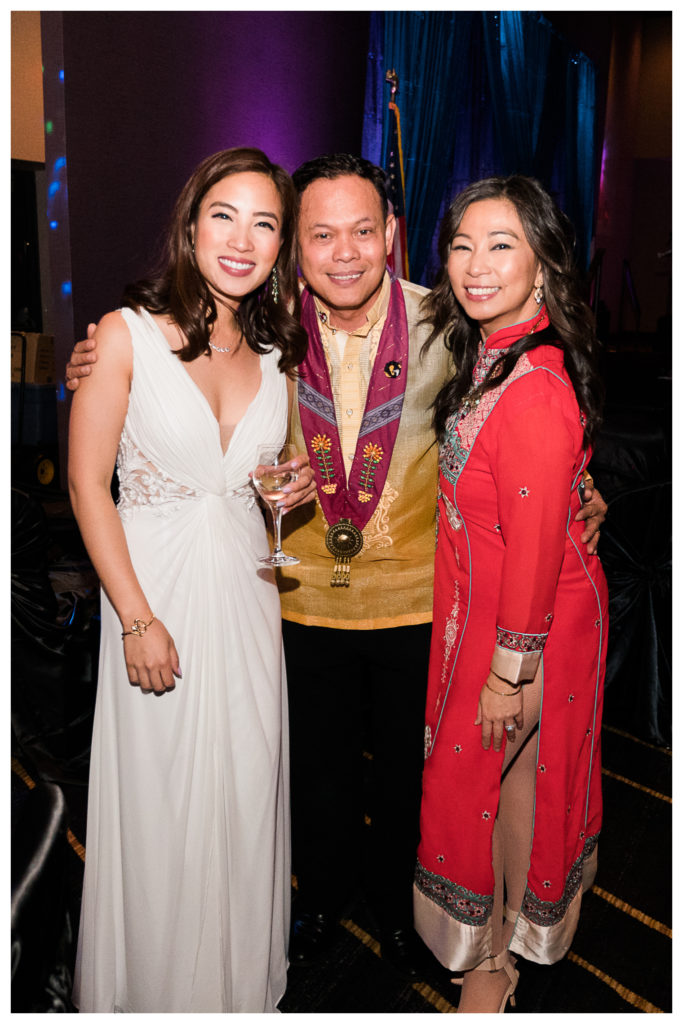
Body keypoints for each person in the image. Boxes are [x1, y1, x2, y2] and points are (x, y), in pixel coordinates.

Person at [66, 153, 607, 980]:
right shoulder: (265, 326)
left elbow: (521, 404)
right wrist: (96, 360)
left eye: (362, 231)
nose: (343, 253)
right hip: (289, 598)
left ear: (391, 235)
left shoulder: (448, 322)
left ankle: (397, 912)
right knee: (307, 773)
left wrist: (578, 487)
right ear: (297, 249)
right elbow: (159, 379)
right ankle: (316, 900)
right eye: (320, 234)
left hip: (414, 603)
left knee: (406, 780)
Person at [67, 147, 315, 1012]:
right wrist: (136, 618)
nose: (242, 239)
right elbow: (84, 484)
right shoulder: (122, 335)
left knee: (245, 794)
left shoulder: (277, 353)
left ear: (280, 246)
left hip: (247, 600)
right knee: (162, 805)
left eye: (265, 223)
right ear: (191, 222)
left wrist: (293, 481)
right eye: (225, 215)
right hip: (152, 594)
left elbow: (261, 471)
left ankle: (234, 991)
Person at [414, 176, 608, 1013]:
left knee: (480, 784)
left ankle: (487, 959)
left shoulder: (530, 383)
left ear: (542, 265)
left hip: (522, 629)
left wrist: (506, 673)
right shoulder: (495, 356)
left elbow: (530, 548)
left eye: (501, 245)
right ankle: (502, 951)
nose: (475, 264)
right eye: (461, 244)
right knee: (514, 781)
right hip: (493, 614)